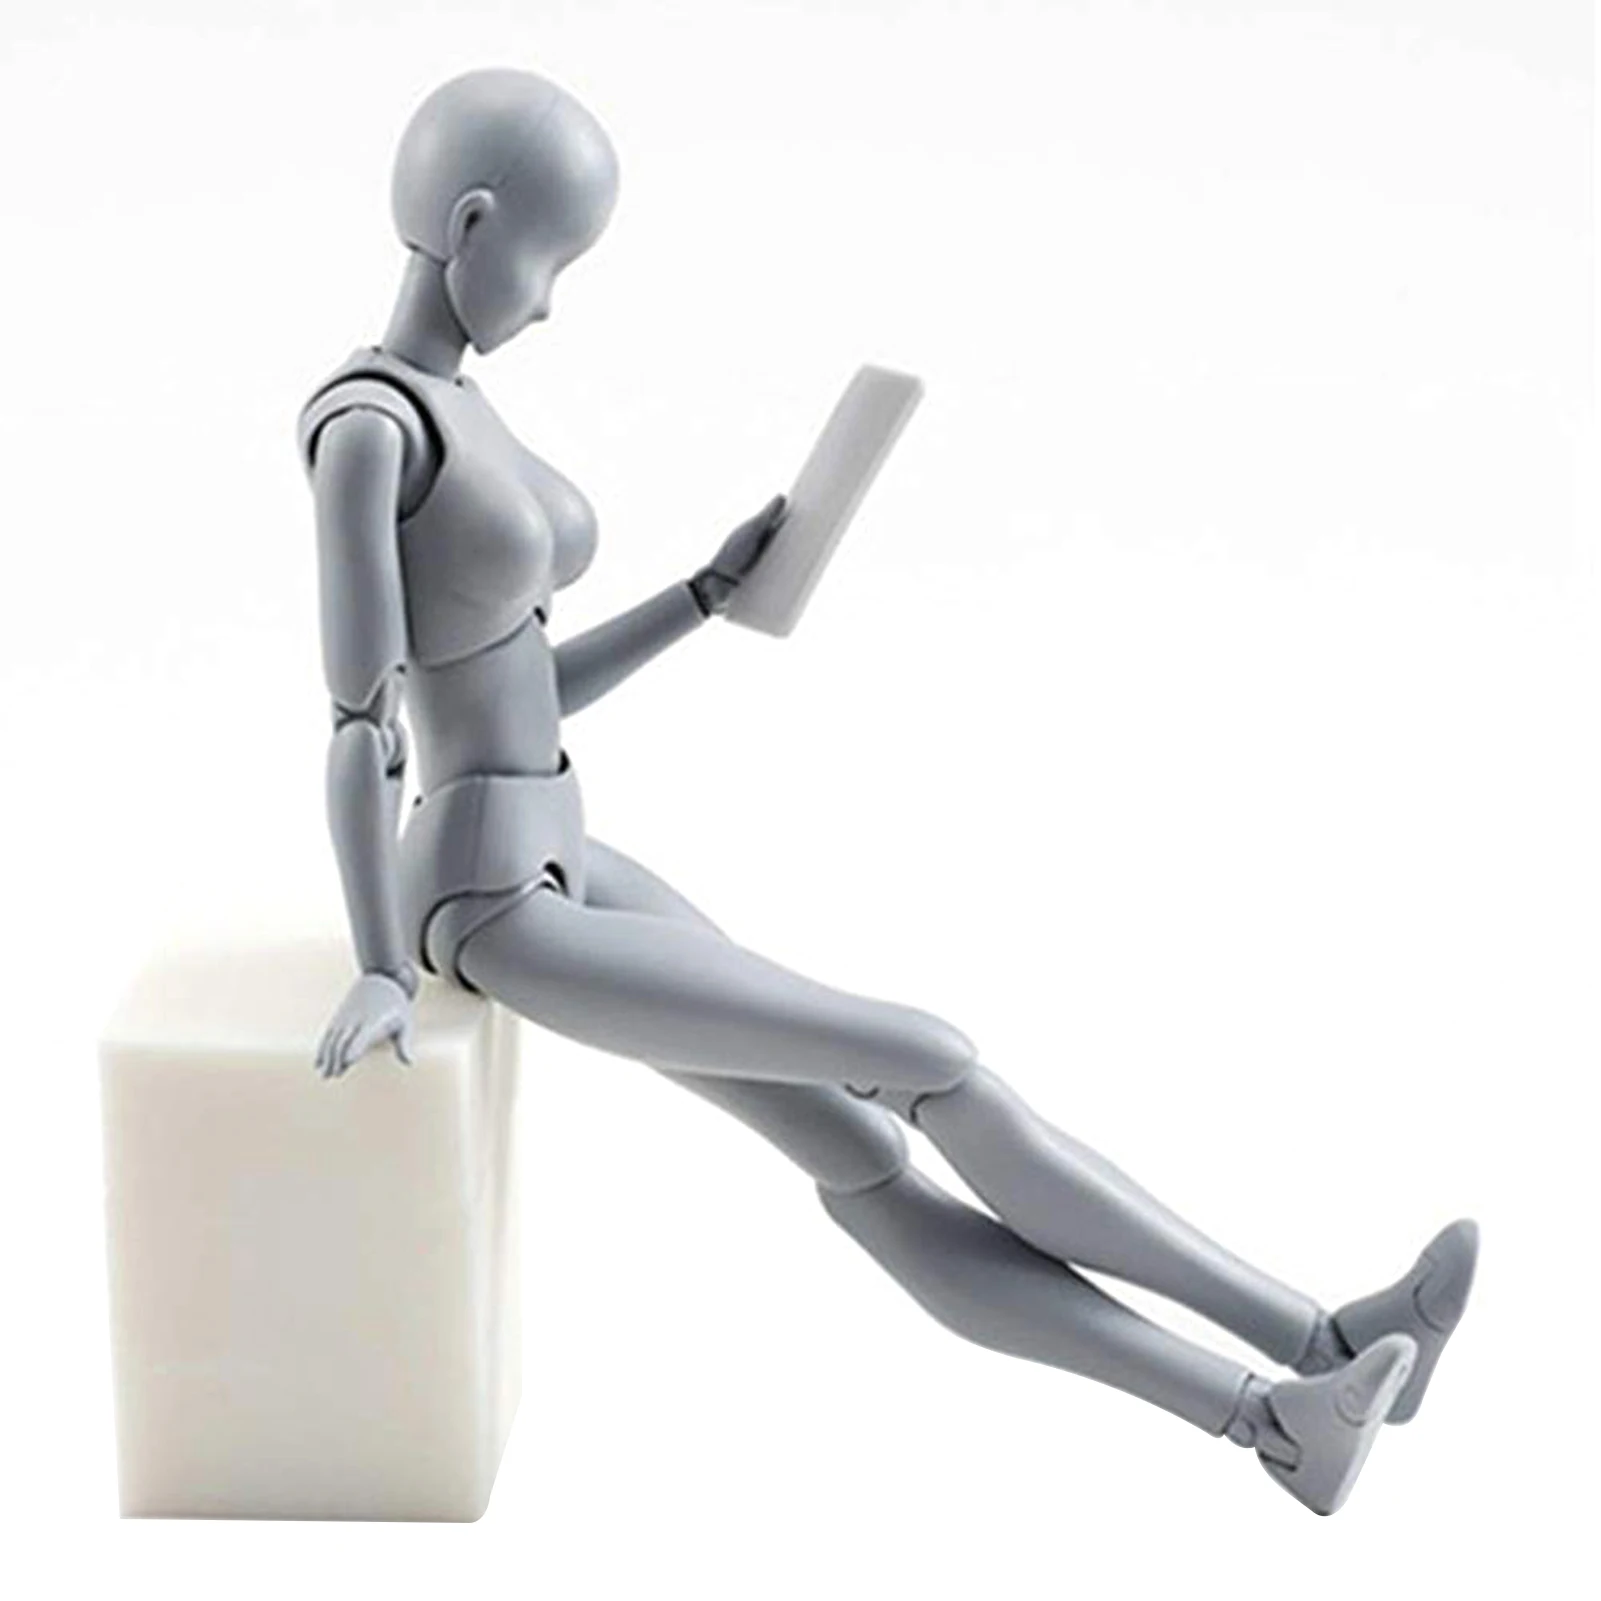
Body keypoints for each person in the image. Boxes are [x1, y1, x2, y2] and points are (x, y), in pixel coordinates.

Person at [299, 68, 1476, 1516]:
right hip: (486, 902)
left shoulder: (460, 406)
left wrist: (699, 598)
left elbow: (521, 682)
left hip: (560, 836)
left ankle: (1315, 1372)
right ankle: (1279, 1396)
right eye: (551, 260)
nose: (546, 306)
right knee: (929, 1059)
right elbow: (361, 723)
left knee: (860, 1148)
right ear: (475, 223)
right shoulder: (368, 430)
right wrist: (377, 963)